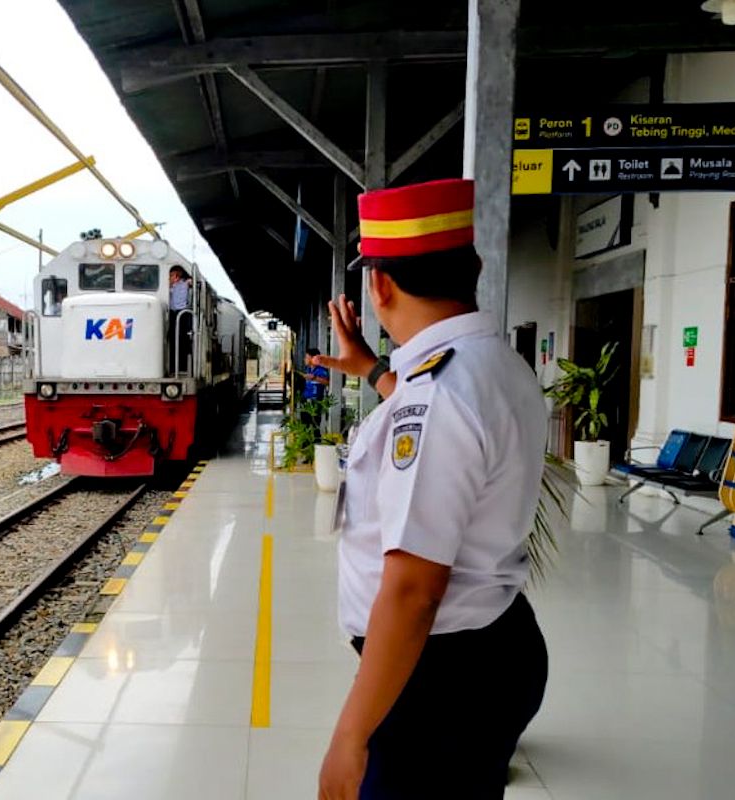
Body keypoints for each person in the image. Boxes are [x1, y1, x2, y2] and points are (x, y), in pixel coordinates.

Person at [314, 178, 549, 800]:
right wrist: (370, 367)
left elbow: (414, 591)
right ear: (472, 269)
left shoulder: (438, 394)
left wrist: (350, 738)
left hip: (439, 680)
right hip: (487, 651)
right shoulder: (493, 365)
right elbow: (443, 426)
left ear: (380, 287)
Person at [168, 266, 193, 372]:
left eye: (173, 275)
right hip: (172, 313)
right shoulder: (169, 286)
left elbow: (192, 283)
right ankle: (172, 365)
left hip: (183, 313)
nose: (171, 277)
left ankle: (183, 366)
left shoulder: (186, 283)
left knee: (183, 340)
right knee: (172, 339)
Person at [301, 347, 330, 431]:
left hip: (315, 402)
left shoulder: (321, 370)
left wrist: (314, 378)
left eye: (306, 357)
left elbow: (327, 382)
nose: (305, 359)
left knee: (315, 426)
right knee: (305, 425)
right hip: (306, 400)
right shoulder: (308, 369)